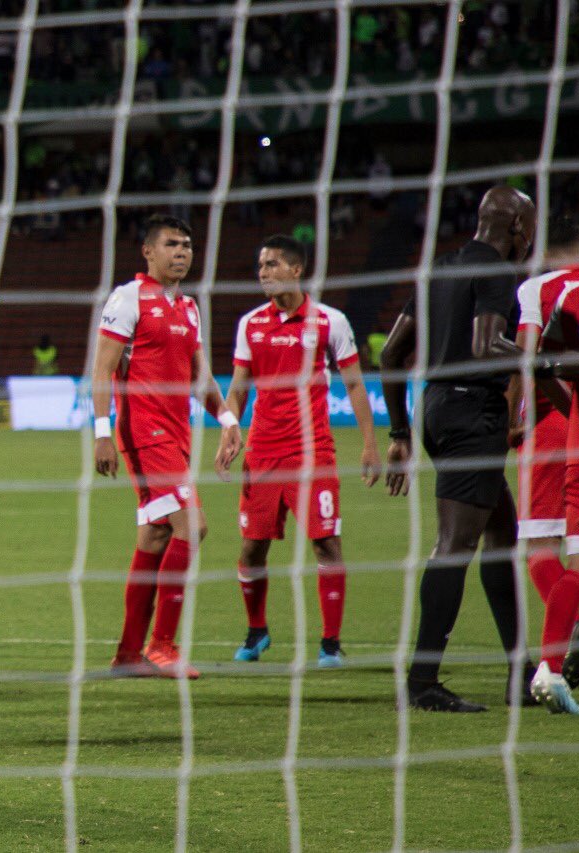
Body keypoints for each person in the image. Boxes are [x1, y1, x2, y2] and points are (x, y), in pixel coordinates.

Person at [380, 185, 538, 712]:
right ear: (517, 227)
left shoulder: (439, 269)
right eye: (529, 228)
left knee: (501, 532)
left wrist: (401, 432)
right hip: (474, 414)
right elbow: (487, 345)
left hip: (437, 409)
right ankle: (422, 682)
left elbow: (392, 355)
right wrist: (550, 361)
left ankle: (521, 672)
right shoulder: (496, 273)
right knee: (455, 543)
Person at [215, 235, 382, 667]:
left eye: (271, 264)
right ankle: (256, 632)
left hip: (313, 454)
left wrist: (369, 443)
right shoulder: (250, 323)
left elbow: (356, 384)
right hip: (263, 454)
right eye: (260, 266)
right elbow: (237, 387)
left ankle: (330, 643)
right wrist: (229, 426)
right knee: (252, 549)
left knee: (326, 543)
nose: (263, 272)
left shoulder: (330, 321)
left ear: (296, 269)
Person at [93, 214, 242, 679]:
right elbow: (102, 370)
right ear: (149, 252)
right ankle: (163, 646)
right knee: (191, 525)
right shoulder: (127, 298)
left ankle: (127, 655)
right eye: (172, 245)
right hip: (143, 433)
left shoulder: (190, 308)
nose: (182, 253)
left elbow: (201, 376)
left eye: (187, 246)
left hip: (177, 437)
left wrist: (228, 418)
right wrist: (102, 431)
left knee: (156, 536)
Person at [507, 216, 579, 706]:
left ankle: (564, 638)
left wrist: (513, 415)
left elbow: (524, 355)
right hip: (572, 410)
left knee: (539, 547)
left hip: (545, 418)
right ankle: (562, 648)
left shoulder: (537, 288)